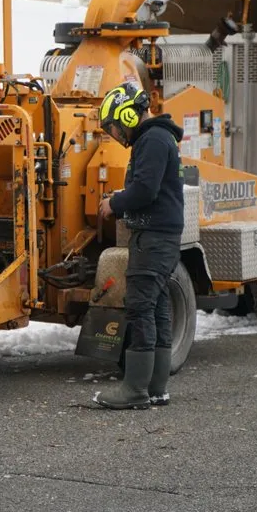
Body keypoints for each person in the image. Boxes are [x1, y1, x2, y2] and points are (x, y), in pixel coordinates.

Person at [94, 81, 184, 410]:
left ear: (129, 117)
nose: (116, 136)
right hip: (160, 235)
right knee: (158, 309)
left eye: (116, 127)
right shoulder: (157, 138)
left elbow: (145, 191)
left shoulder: (153, 140)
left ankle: (134, 390)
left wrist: (114, 204)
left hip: (154, 237)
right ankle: (157, 388)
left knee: (141, 308)